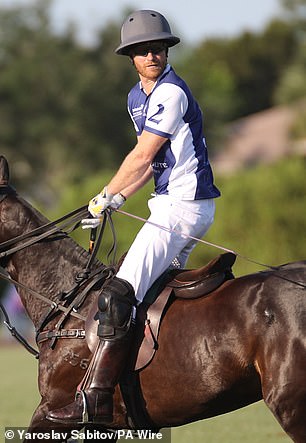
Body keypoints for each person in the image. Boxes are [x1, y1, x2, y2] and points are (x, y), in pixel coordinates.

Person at [47, 9, 220, 426]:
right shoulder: (135, 99)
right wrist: (118, 198)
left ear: (167, 50)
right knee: (143, 294)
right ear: (131, 57)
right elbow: (148, 163)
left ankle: (97, 399)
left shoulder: (171, 93)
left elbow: (142, 154)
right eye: (143, 50)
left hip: (183, 206)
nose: (152, 54)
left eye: (158, 47)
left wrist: (104, 194)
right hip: (168, 204)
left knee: (117, 294)